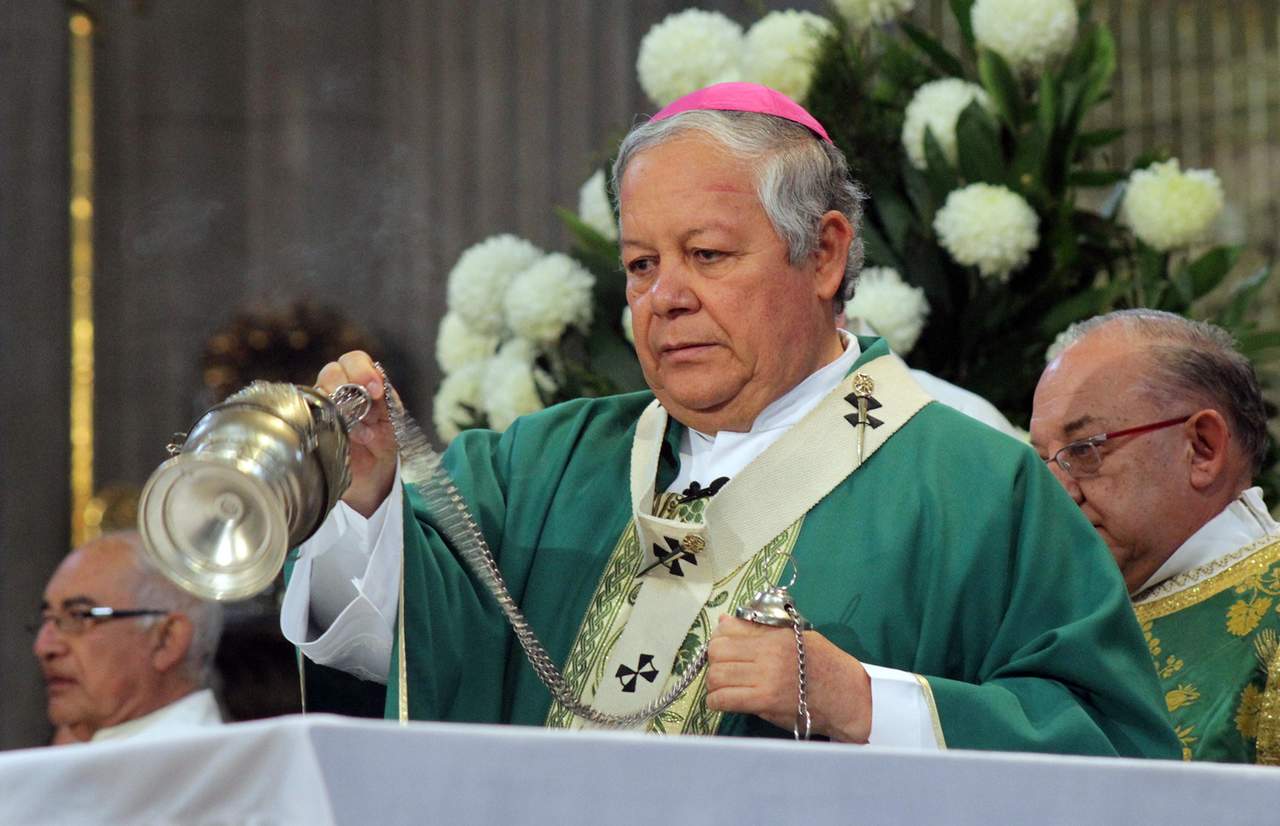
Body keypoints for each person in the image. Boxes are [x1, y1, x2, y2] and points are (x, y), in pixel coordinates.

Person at [282, 82, 1178, 756]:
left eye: (706, 255)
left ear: (823, 255)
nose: (664, 298)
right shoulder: (541, 465)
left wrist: (862, 701)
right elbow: (391, 648)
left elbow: (1113, 749)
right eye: (641, 265)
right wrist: (362, 494)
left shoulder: (976, 486)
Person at [1031, 309, 1280, 762]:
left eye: (1084, 449)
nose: (1056, 493)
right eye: (1040, 461)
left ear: (1202, 448)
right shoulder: (1053, 616)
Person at [33, 530, 225, 743]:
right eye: (47, 619)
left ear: (167, 640)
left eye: (79, 616)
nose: (43, 647)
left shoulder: (193, 759)